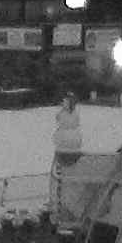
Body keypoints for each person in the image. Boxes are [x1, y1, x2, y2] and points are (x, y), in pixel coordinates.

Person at [51, 93, 83, 222]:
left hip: (66, 153)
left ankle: (64, 210)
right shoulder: (72, 126)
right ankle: (66, 209)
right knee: (67, 183)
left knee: (64, 181)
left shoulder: (67, 123)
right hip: (71, 153)